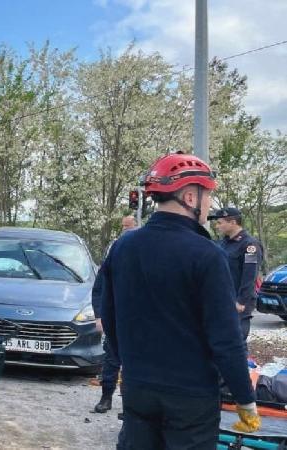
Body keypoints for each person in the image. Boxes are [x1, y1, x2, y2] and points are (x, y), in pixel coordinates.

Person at [99, 152, 260, 448]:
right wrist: (244, 398)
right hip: (190, 395)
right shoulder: (208, 255)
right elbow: (225, 338)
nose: (209, 205)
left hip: (138, 387)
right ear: (189, 196)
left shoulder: (123, 247)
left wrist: (127, 361)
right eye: (208, 196)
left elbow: (108, 315)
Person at [91, 214, 138, 413]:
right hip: (117, 319)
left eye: (128, 227)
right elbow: (99, 287)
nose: (125, 230)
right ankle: (106, 398)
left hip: (139, 321)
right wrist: (99, 315)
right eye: (123, 228)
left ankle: (131, 405)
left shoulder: (146, 259)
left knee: (135, 367)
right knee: (111, 361)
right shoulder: (113, 254)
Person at [209, 207, 263, 351]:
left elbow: (249, 276)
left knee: (236, 343)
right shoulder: (223, 243)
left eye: (220, 223)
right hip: (223, 300)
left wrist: (241, 302)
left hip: (238, 303)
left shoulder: (249, 245)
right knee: (221, 342)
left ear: (233, 222)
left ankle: (242, 372)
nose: (217, 226)